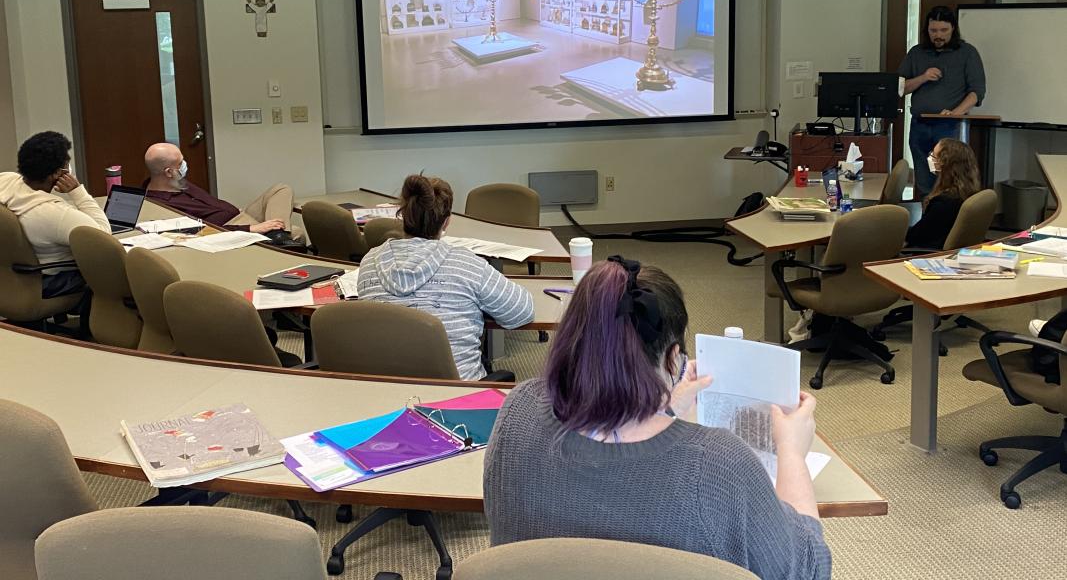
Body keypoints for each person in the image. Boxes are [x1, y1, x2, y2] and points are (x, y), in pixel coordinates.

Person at [484, 257, 831, 580]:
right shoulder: (719, 464)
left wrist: (662, 410)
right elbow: (808, 569)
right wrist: (790, 451)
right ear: (673, 359)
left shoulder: (518, 411)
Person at [355, 174, 533, 380]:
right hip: (458, 396)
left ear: (403, 216)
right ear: (447, 222)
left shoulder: (370, 261)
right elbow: (521, 312)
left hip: (386, 393)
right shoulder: (466, 264)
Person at [0, 131, 110, 298]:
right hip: (44, 281)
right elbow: (104, 241)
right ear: (58, 173)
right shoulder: (55, 214)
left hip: (10, 276)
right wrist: (78, 192)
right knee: (110, 275)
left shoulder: (5, 179)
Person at [898, 6, 986, 198]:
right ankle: (927, 218)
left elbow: (977, 92)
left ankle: (952, 221)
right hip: (920, 125)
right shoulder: (917, 53)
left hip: (950, 126)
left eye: (943, 30)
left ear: (953, 28)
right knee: (924, 177)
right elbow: (900, 88)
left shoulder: (967, 53)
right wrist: (923, 77)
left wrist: (956, 112)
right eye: (933, 31)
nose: (938, 35)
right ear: (927, 30)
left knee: (952, 178)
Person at [144, 143, 295, 237]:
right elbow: (202, 232)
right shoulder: (160, 205)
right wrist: (251, 228)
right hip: (231, 228)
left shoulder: (175, 182)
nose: (184, 165)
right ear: (169, 172)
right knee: (296, 233)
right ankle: (279, 236)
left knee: (281, 189)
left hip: (239, 214)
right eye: (180, 163)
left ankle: (277, 234)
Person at [905, 137, 982, 250]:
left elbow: (917, 235)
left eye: (934, 155)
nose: (930, 158)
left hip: (929, 253)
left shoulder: (943, 203)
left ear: (944, 163)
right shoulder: (968, 193)